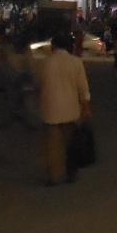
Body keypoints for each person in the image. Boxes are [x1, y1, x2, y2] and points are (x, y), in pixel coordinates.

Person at [36, 32, 92, 186]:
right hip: (71, 110)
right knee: (70, 144)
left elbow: (39, 84)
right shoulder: (76, 62)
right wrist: (86, 107)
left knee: (53, 146)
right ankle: (71, 173)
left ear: (53, 46)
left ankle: (54, 176)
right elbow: (83, 88)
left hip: (50, 109)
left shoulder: (46, 63)